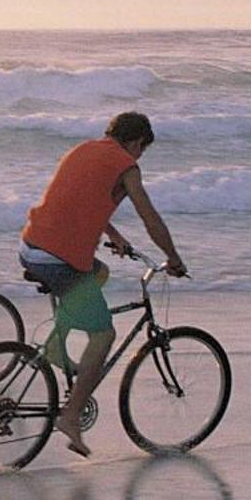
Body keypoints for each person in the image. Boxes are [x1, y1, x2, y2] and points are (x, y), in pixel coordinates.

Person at [19, 111, 186, 456]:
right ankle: (71, 415)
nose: (138, 158)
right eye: (141, 151)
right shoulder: (126, 165)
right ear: (137, 142)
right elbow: (150, 216)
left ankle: (55, 345)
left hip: (31, 246)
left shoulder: (83, 149)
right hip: (58, 259)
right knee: (104, 334)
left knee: (97, 273)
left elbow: (78, 200)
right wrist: (173, 257)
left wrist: (114, 234)